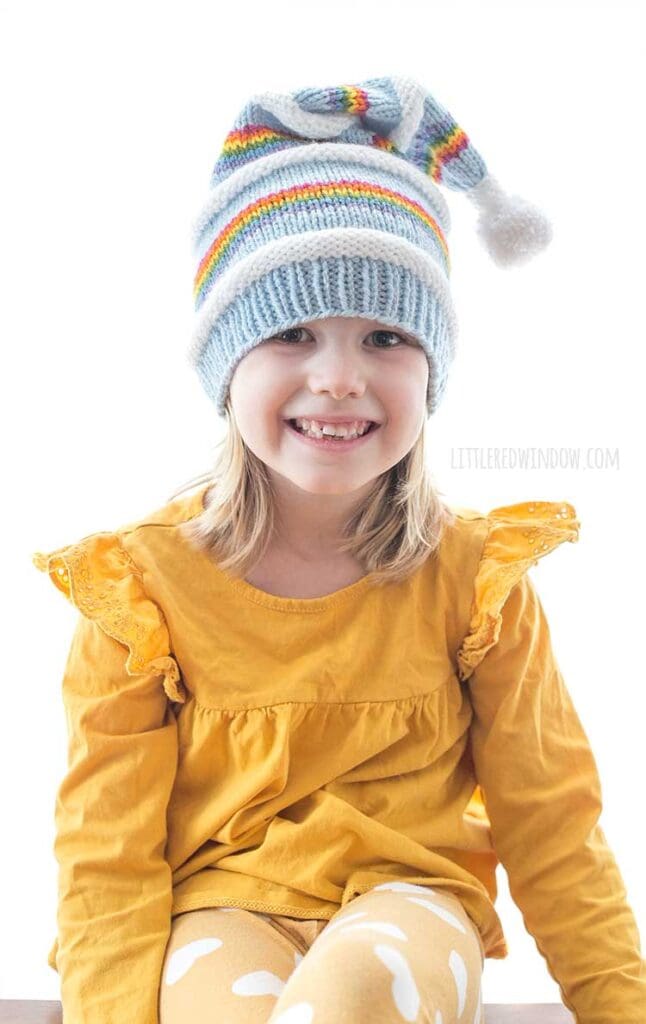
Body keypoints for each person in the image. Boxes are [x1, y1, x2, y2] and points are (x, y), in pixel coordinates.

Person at [32, 75, 645, 1024]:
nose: (338, 378)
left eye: (387, 335)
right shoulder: (140, 590)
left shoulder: (477, 583)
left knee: (361, 990)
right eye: (292, 331)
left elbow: (552, 820)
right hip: (218, 902)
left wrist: (620, 1005)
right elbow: (106, 849)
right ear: (225, 359)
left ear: (431, 369)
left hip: (413, 896)